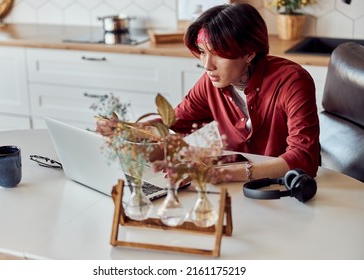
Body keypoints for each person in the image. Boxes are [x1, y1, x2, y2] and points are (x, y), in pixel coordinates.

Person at [96, 3, 320, 183]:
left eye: (218, 54)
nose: (207, 65)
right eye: (202, 52)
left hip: (286, 190)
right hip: (237, 190)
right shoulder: (210, 83)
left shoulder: (293, 82)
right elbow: (173, 122)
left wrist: (218, 174)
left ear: (249, 52)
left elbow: (304, 158)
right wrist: (126, 129)